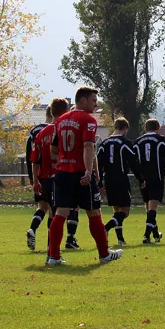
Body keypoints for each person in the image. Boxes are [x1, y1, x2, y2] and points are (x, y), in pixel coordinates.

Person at [45, 86, 122, 265]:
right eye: (93, 100)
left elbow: (53, 149)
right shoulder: (88, 120)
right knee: (94, 212)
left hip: (62, 173)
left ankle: (53, 256)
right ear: (83, 100)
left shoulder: (61, 120)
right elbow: (88, 146)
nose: (96, 104)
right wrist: (89, 171)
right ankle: (104, 254)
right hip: (80, 174)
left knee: (60, 213)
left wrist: (64, 158)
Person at [28, 99, 68, 251]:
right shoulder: (64, 130)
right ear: (65, 112)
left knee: (46, 208)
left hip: (44, 178)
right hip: (60, 177)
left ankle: (48, 245)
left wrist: (35, 180)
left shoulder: (41, 133)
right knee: (57, 214)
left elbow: (34, 160)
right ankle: (52, 249)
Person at [97, 117, 141, 247]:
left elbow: (98, 164)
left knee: (117, 211)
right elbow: (133, 162)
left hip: (108, 179)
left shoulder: (104, 143)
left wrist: (99, 183)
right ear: (125, 128)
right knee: (125, 212)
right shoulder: (125, 143)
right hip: (120, 178)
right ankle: (105, 228)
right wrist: (141, 178)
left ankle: (120, 240)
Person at [134, 119, 165, 244]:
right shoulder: (161, 139)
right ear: (158, 128)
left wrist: (139, 175)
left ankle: (156, 234)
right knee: (153, 209)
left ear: (145, 128)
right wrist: (162, 170)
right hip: (156, 177)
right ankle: (146, 236)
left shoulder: (137, 141)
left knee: (149, 208)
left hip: (143, 178)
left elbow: (133, 160)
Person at [26, 103, 54, 250]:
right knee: (53, 210)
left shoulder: (34, 131)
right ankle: (51, 245)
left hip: (38, 174)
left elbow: (29, 156)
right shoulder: (55, 129)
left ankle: (32, 229)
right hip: (52, 174)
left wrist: (32, 177)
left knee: (42, 206)